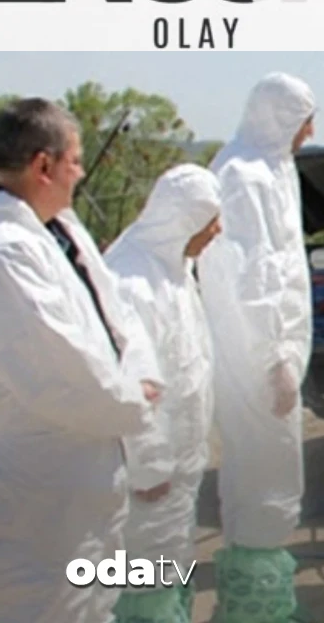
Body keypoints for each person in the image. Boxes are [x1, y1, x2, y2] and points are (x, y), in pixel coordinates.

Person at [0, 97, 163, 623]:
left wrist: (140, 372)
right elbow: (63, 377)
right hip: (36, 489)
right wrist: (134, 397)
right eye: (76, 160)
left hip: (79, 483)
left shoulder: (60, 231)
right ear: (44, 165)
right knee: (40, 605)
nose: (81, 173)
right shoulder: (0, 254)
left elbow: (116, 317)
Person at [196, 72, 317, 621]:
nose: (310, 132)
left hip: (272, 352)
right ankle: (255, 608)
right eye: (303, 119)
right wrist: (273, 358)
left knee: (270, 472)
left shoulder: (272, 168)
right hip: (255, 357)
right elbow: (249, 278)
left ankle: (262, 600)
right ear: (279, 117)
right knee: (261, 474)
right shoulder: (242, 175)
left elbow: (283, 266)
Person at [104, 163, 223, 622]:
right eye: (209, 219)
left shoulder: (173, 270)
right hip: (146, 478)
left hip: (178, 466)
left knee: (168, 561)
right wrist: (149, 462)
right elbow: (130, 383)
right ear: (182, 220)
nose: (217, 230)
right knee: (142, 571)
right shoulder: (130, 281)